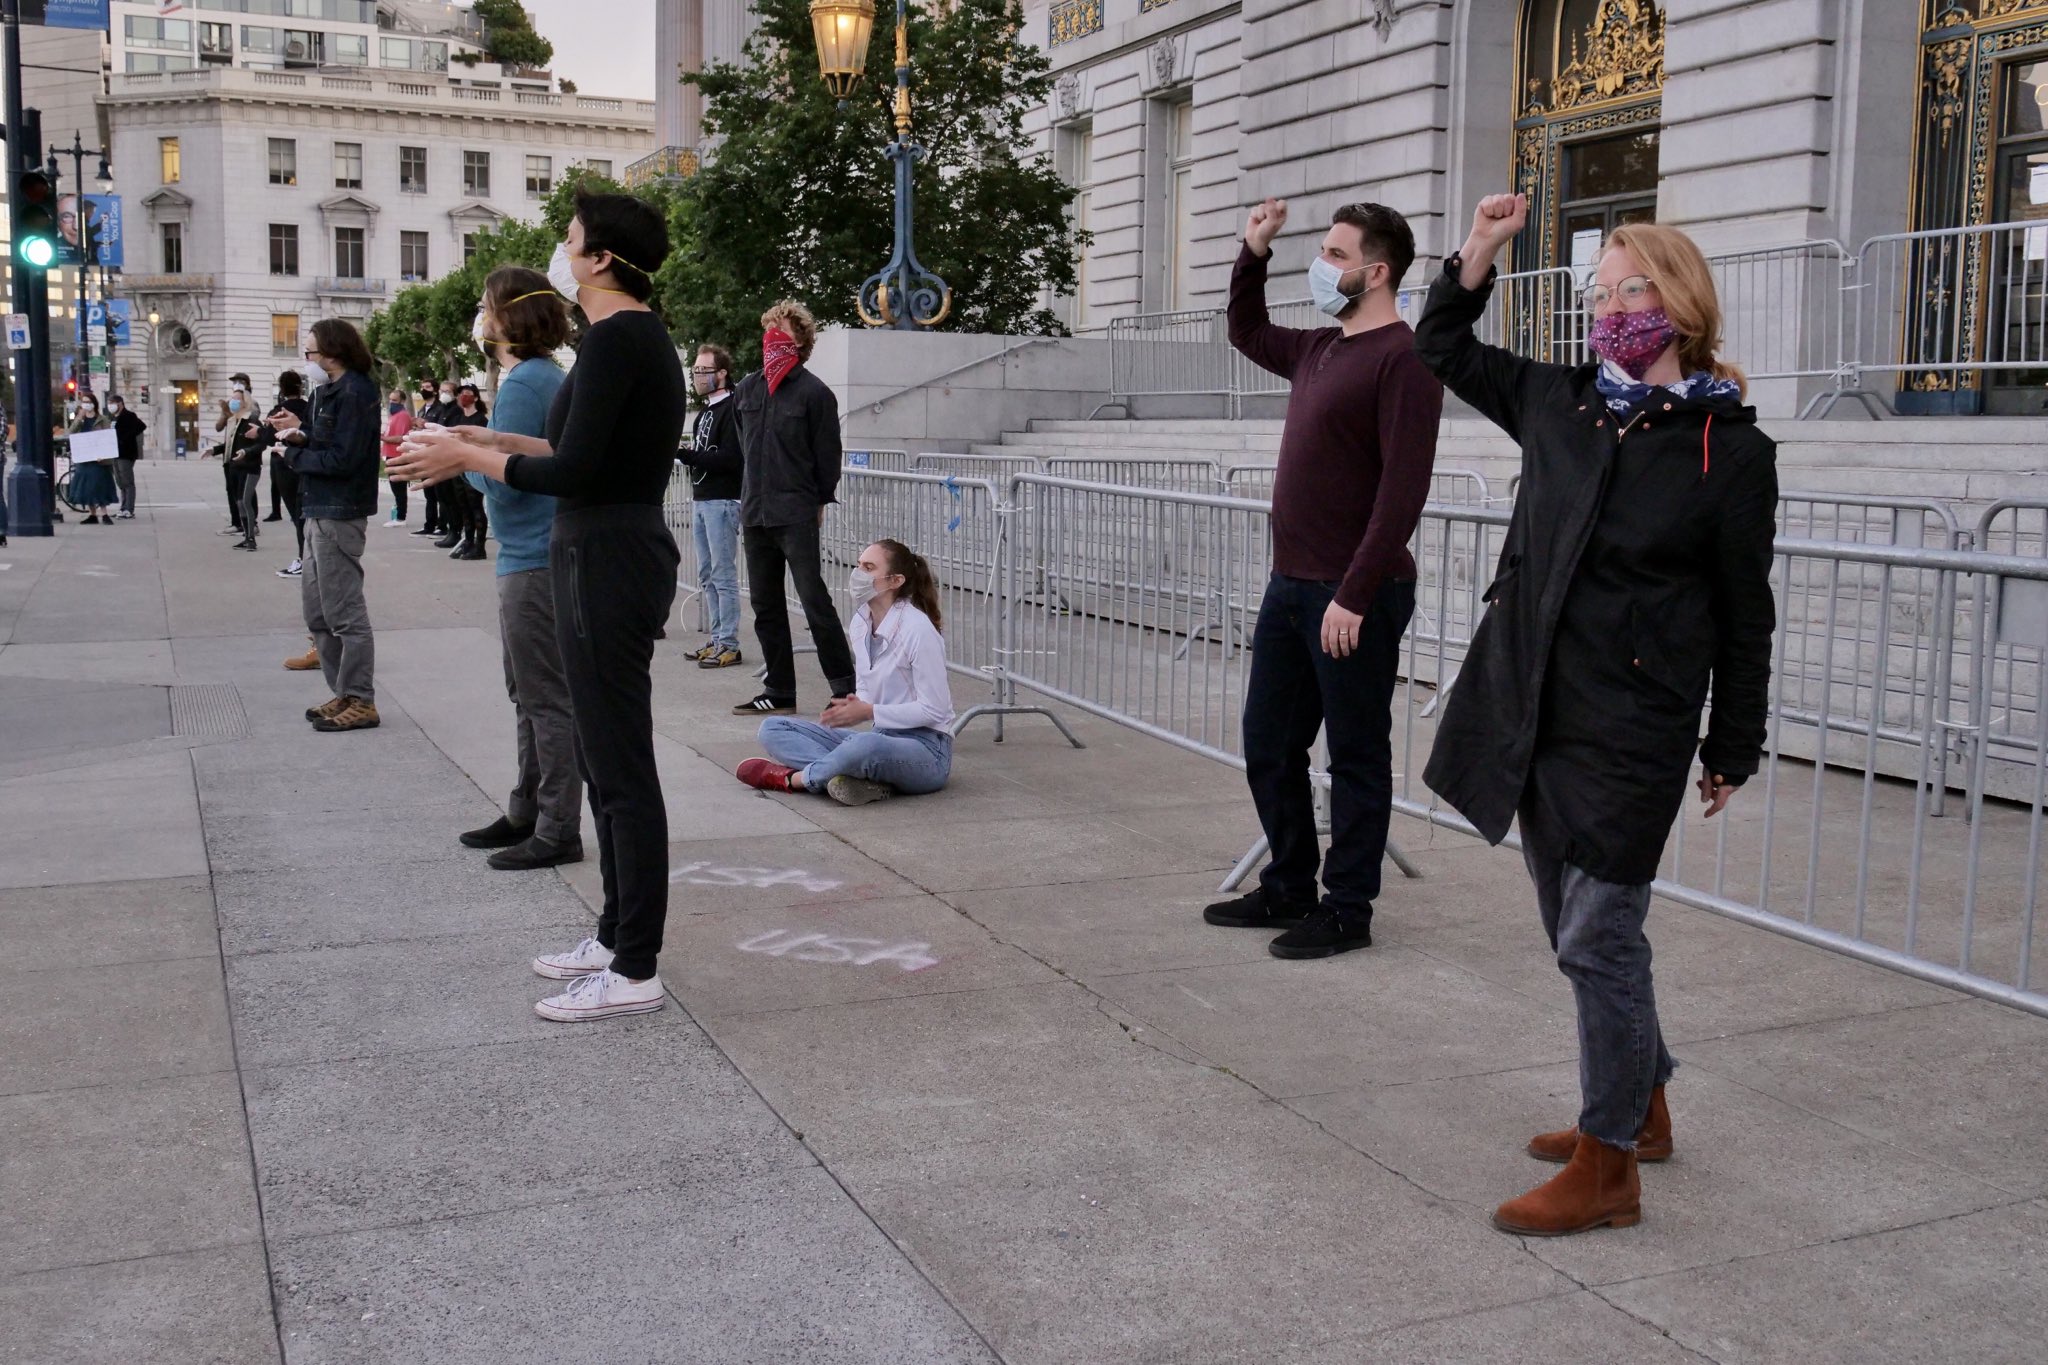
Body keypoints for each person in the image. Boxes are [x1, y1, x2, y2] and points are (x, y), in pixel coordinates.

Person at [1414, 195, 1778, 1238]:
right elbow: (1441, 340)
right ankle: (1641, 1101)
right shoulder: (1556, 401)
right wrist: (1478, 248)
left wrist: (1730, 744)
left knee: (1596, 935)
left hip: (1634, 724)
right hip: (1528, 707)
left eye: (1632, 289)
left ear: (1679, 303)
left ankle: (1607, 1162)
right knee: (1567, 928)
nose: (1612, 308)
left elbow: (1742, 614)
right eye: (1598, 292)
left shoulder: (1731, 456)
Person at [393, 189, 686, 1023]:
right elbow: (563, 449)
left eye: (571, 239)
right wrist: (479, 444)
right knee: (600, 758)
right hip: (593, 550)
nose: (562, 250)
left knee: (621, 768)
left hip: (609, 557)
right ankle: (614, 933)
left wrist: (471, 456)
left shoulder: (625, 338)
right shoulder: (615, 341)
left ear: (598, 260)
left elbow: (577, 473)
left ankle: (635, 966)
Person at [1201, 198, 1444, 961]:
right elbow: (1245, 330)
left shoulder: (1405, 359)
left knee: (1355, 754)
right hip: (1291, 584)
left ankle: (1348, 908)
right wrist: (1254, 250)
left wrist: (1355, 592)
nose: (1324, 264)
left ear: (1376, 272)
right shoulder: (1318, 347)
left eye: (1336, 254)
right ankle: (1289, 883)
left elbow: (1402, 492)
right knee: (1268, 742)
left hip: (1354, 594)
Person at [455, 266, 584, 871]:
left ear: (509, 316)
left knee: (542, 698)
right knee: (531, 695)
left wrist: (464, 460)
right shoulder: (533, 378)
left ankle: (555, 824)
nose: (481, 315)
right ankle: (529, 809)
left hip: (532, 558)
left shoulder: (527, 383)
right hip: (532, 555)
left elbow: (509, 485)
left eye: (486, 305)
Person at [737, 539, 953, 806]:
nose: (858, 573)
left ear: (895, 580)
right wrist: (851, 709)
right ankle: (849, 778)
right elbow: (865, 689)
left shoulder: (917, 628)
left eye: (869, 567)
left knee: (864, 747)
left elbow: (935, 710)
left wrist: (869, 711)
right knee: (772, 728)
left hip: (927, 750)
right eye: (859, 565)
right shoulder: (862, 620)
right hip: (880, 735)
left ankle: (796, 779)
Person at [732, 300, 855, 717]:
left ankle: (843, 687)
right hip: (755, 512)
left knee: (814, 601)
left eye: (781, 329)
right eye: (768, 328)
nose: (773, 336)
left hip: (795, 511)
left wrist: (819, 498)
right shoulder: (748, 388)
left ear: (801, 339)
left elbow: (827, 455)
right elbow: (744, 445)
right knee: (765, 605)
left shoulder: (815, 393)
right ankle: (779, 688)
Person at [271, 320, 383, 732]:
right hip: (318, 507)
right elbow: (325, 442)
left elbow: (344, 459)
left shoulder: (355, 391)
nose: (308, 362)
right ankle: (344, 692)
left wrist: (294, 457)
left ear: (333, 352)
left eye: (311, 353)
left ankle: (361, 698)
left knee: (344, 611)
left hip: (340, 510)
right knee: (317, 611)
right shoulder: (323, 393)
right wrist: (298, 436)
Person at [679, 343, 743, 669]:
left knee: (723, 574)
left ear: (722, 374)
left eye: (704, 371)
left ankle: (729, 642)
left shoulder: (732, 408)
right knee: (707, 574)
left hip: (722, 502)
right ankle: (718, 638)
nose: (698, 377)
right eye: (696, 371)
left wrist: (686, 455)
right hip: (702, 500)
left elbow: (731, 459)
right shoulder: (705, 411)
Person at [269, 370, 312, 579]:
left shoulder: (280, 410)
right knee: (305, 514)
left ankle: (305, 559)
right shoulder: (308, 407)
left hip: (286, 466)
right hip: (305, 465)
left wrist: (259, 432)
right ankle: (307, 557)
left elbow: (269, 436)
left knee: (298, 516)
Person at [444, 383, 491, 561]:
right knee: (463, 507)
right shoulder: (458, 419)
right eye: (461, 394)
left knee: (475, 506)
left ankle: (480, 546)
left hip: (474, 467)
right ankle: (468, 541)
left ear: (476, 398)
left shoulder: (481, 420)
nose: (463, 396)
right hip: (459, 467)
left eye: (468, 394)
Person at [227, 384, 272, 552]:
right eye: (233, 398)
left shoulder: (252, 421)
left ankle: (251, 537)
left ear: (245, 402)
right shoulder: (236, 421)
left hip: (249, 467)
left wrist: (246, 451)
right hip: (236, 466)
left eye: (237, 399)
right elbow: (230, 444)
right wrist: (214, 450)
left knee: (246, 501)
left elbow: (262, 444)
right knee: (239, 502)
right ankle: (246, 536)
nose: (234, 401)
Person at [66, 394, 117, 524]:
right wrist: (79, 418)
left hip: (98, 459)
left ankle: (104, 514)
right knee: (87, 486)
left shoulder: (102, 419)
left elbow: (107, 437)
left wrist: (104, 454)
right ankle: (92, 514)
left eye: (88, 402)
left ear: (94, 403)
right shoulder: (80, 419)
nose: (86, 404)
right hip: (84, 457)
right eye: (84, 402)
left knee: (99, 484)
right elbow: (71, 432)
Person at [412, 379, 453, 538]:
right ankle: (429, 524)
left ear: (435, 390)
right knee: (429, 493)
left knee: (440, 493)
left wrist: (426, 425)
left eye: (427, 387)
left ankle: (442, 526)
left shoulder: (441, 408)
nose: (424, 390)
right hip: (424, 452)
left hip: (437, 454)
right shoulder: (423, 409)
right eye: (422, 387)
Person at [108, 394, 146, 520]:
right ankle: (123, 507)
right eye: (109, 403)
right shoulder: (113, 418)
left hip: (125, 453)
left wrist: (125, 438)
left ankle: (129, 509)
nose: (111, 406)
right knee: (120, 481)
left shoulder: (129, 416)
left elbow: (141, 426)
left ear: (120, 404)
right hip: (115, 452)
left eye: (113, 403)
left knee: (127, 481)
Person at [380, 390, 413, 527]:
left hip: (398, 455)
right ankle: (398, 515)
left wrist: (383, 437)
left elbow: (400, 437)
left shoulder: (403, 416)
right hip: (390, 454)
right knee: (395, 487)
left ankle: (400, 517)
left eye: (395, 400)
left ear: (402, 401)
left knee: (399, 487)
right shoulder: (394, 416)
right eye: (391, 400)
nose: (392, 403)